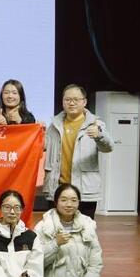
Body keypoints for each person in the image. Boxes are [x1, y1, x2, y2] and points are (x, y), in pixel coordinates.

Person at [42, 85, 112, 218]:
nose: (71, 103)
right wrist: (38, 133)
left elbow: (108, 147)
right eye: (67, 99)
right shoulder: (54, 124)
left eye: (76, 99)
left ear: (84, 102)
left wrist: (99, 135)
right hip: (57, 188)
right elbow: (42, 146)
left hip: (84, 190)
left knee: (84, 228)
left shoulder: (95, 124)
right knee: (54, 228)